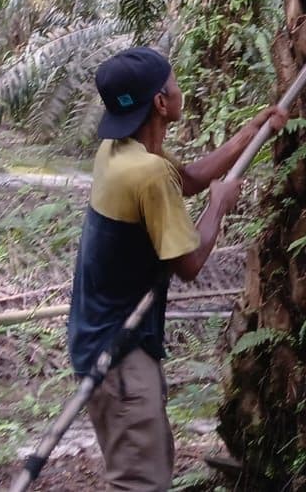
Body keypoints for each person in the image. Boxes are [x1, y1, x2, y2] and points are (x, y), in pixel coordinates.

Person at [68, 46, 287, 490]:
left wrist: (251, 133)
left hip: (101, 338)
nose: (179, 89)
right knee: (140, 482)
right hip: (119, 355)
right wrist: (218, 206)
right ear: (160, 103)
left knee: (150, 464)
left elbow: (186, 179)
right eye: (173, 83)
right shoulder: (146, 173)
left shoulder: (120, 152)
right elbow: (189, 264)